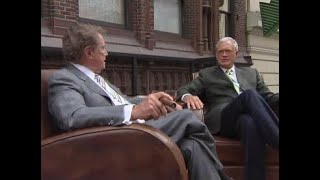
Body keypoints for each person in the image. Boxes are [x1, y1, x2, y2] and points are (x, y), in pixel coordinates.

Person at [47, 23, 232, 180]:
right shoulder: (65, 79)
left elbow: (121, 101)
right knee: (185, 117)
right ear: (89, 52)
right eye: (103, 48)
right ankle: (223, 175)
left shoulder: (97, 78)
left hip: (134, 131)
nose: (107, 53)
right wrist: (133, 111)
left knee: (192, 145)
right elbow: (72, 117)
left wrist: (149, 99)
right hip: (116, 141)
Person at [177, 37, 279, 180]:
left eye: (228, 51)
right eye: (220, 52)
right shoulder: (207, 74)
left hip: (243, 119)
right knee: (249, 95)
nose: (224, 54)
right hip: (224, 118)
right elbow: (183, 89)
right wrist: (187, 96)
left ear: (236, 54)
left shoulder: (252, 73)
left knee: (250, 124)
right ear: (216, 55)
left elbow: (268, 97)